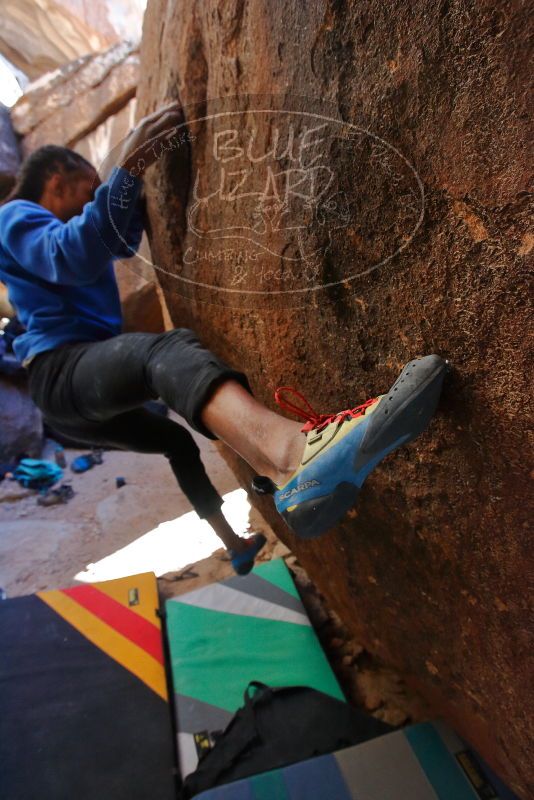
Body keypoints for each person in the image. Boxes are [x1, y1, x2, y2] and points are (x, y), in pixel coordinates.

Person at [0, 102, 448, 573]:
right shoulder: (15, 216)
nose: (96, 196)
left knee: (176, 442)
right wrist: (127, 164)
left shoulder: (50, 226)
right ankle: (293, 453)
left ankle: (241, 534)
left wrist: (129, 187)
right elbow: (74, 253)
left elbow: (117, 239)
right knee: (165, 353)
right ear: (57, 180)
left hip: (75, 399)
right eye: (89, 188)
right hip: (61, 372)